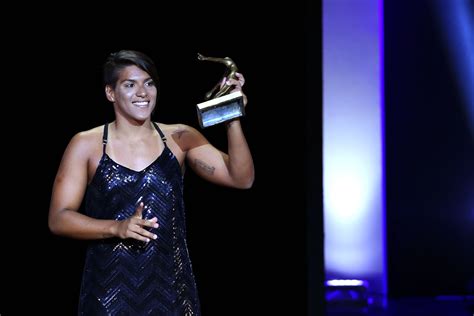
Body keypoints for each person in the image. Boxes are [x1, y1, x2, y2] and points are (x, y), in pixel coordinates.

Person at [48, 50, 254, 315]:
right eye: (130, 85)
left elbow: (241, 178)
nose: (142, 92)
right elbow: (59, 218)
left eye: (149, 83)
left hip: (173, 294)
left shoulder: (179, 138)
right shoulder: (86, 144)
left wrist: (232, 116)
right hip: (108, 295)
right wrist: (117, 227)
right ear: (111, 93)